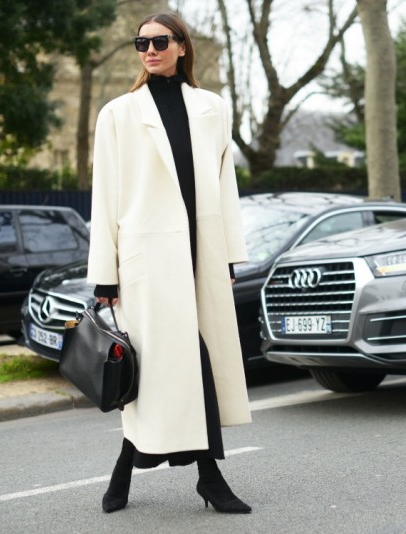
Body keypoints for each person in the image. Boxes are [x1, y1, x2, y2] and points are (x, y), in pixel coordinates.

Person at [87, 12, 252, 514]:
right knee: (156, 374)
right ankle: (159, 474)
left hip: (201, 256)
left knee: (192, 366)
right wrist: (105, 274)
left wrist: (229, 255)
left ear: (182, 46)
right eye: (141, 43)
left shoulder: (211, 108)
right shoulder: (118, 113)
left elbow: (225, 185)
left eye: (160, 41)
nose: (150, 50)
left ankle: (201, 478)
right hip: (147, 263)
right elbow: (105, 197)